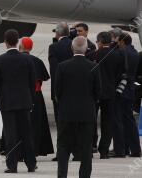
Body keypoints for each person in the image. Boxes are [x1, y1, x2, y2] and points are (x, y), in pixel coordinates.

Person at [0, 29, 36, 173]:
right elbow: (31, 82)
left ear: (5, 42)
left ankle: (12, 165)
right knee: (26, 134)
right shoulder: (28, 59)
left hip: (7, 103)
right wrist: (32, 100)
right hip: (24, 102)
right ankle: (31, 164)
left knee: (11, 135)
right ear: (18, 42)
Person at [55, 36, 101, 178]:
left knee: (63, 147)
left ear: (71, 48)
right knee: (86, 149)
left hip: (66, 113)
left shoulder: (62, 66)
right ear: (86, 49)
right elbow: (98, 92)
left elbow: (57, 92)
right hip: (86, 114)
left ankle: (62, 175)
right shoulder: (93, 66)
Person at [88, 32, 124, 159]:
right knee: (107, 122)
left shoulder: (93, 55)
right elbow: (120, 74)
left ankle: (91, 147)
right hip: (110, 92)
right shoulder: (118, 55)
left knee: (91, 121)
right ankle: (104, 151)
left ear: (100, 42)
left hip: (95, 93)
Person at [19, 37, 54, 157]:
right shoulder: (37, 61)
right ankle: (34, 150)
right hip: (36, 96)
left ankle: (20, 151)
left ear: (21, 46)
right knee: (35, 124)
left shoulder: (16, 60)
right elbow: (44, 77)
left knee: (20, 123)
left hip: (21, 95)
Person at [113, 33, 142, 158]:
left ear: (122, 42)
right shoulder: (135, 53)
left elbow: (117, 72)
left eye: (118, 41)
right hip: (130, 90)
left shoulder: (120, 53)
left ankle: (120, 149)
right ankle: (135, 149)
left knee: (117, 120)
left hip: (120, 90)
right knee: (129, 120)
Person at [48, 22, 73, 125]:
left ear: (58, 33)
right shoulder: (74, 44)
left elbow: (54, 70)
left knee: (60, 120)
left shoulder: (54, 47)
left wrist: (55, 91)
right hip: (73, 88)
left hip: (59, 89)